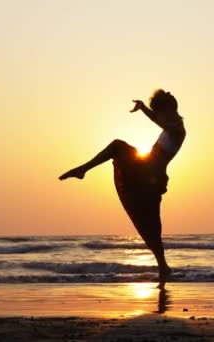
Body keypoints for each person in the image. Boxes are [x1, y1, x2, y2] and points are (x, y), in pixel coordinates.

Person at [59, 89, 186, 286]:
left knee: (151, 224)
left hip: (149, 175)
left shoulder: (177, 129)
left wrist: (145, 110)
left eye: (158, 111)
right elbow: (159, 120)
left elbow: (160, 123)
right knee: (149, 223)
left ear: (168, 109)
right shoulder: (171, 123)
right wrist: (144, 108)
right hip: (146, 171)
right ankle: (163, 267)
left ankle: (163, 266)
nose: (157, 115)